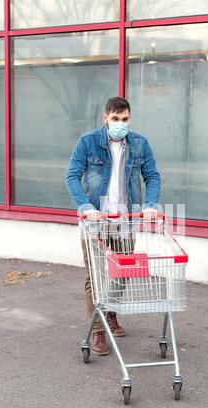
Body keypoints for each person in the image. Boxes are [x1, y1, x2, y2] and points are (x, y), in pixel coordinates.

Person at [66, 96, 161, 356]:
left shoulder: (140, 144)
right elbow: (72, 176)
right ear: (105, 118)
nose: (121, 124)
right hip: (95, 221)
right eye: (116, 119)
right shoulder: (88, 142)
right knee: (95, 277)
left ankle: (109, 314)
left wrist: (150, 204)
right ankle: (98, 331)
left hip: (125, 220)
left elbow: (152, 175)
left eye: (125, 119)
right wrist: (86, 207)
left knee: (122, 272)